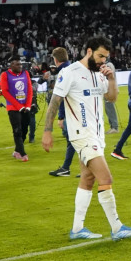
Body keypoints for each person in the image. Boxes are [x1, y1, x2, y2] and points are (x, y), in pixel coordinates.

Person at [41, 36, 131, 241]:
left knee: (87, 179)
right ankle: (117, 227)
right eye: (100, 56)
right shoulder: (70, 73)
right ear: (89, 51)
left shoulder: (100, 74)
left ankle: (77, 229)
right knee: (106, 179)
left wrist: (112, 78)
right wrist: (47, 130)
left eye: (105, 57)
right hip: (81, 135)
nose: (103, 60)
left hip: (97, 135)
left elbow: (112, 98)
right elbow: (55, 101)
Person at [48, 47, 77, 177]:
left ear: (55, 59)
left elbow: (60, 97)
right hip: (78, 112)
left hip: (73, 114)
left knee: (77, 140)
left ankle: (87, 170)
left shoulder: (64, 72)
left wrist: (61, 117)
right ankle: (66, 167)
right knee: (73, 140)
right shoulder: (73, 69)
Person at [0, 55, 33, 162]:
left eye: (20, 64)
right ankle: (23, 153)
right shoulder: (5, 75)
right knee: (17, 130)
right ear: (11, 65)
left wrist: (27, 105)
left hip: (25, 107)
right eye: (17, 64)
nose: (20, 66)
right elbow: (5, 92)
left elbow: (29, 89)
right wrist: (19, 107)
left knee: (24, 129)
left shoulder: (25, 73)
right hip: (13, 108)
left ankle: (16, 151)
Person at [104, 60, 120, 133]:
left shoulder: (108, 65)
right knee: (108, 109)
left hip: (110, 90)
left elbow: (109, 76)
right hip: (108, 90)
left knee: (110, 108)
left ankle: (114, 127)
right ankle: (112, 126)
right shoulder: (109, 64)